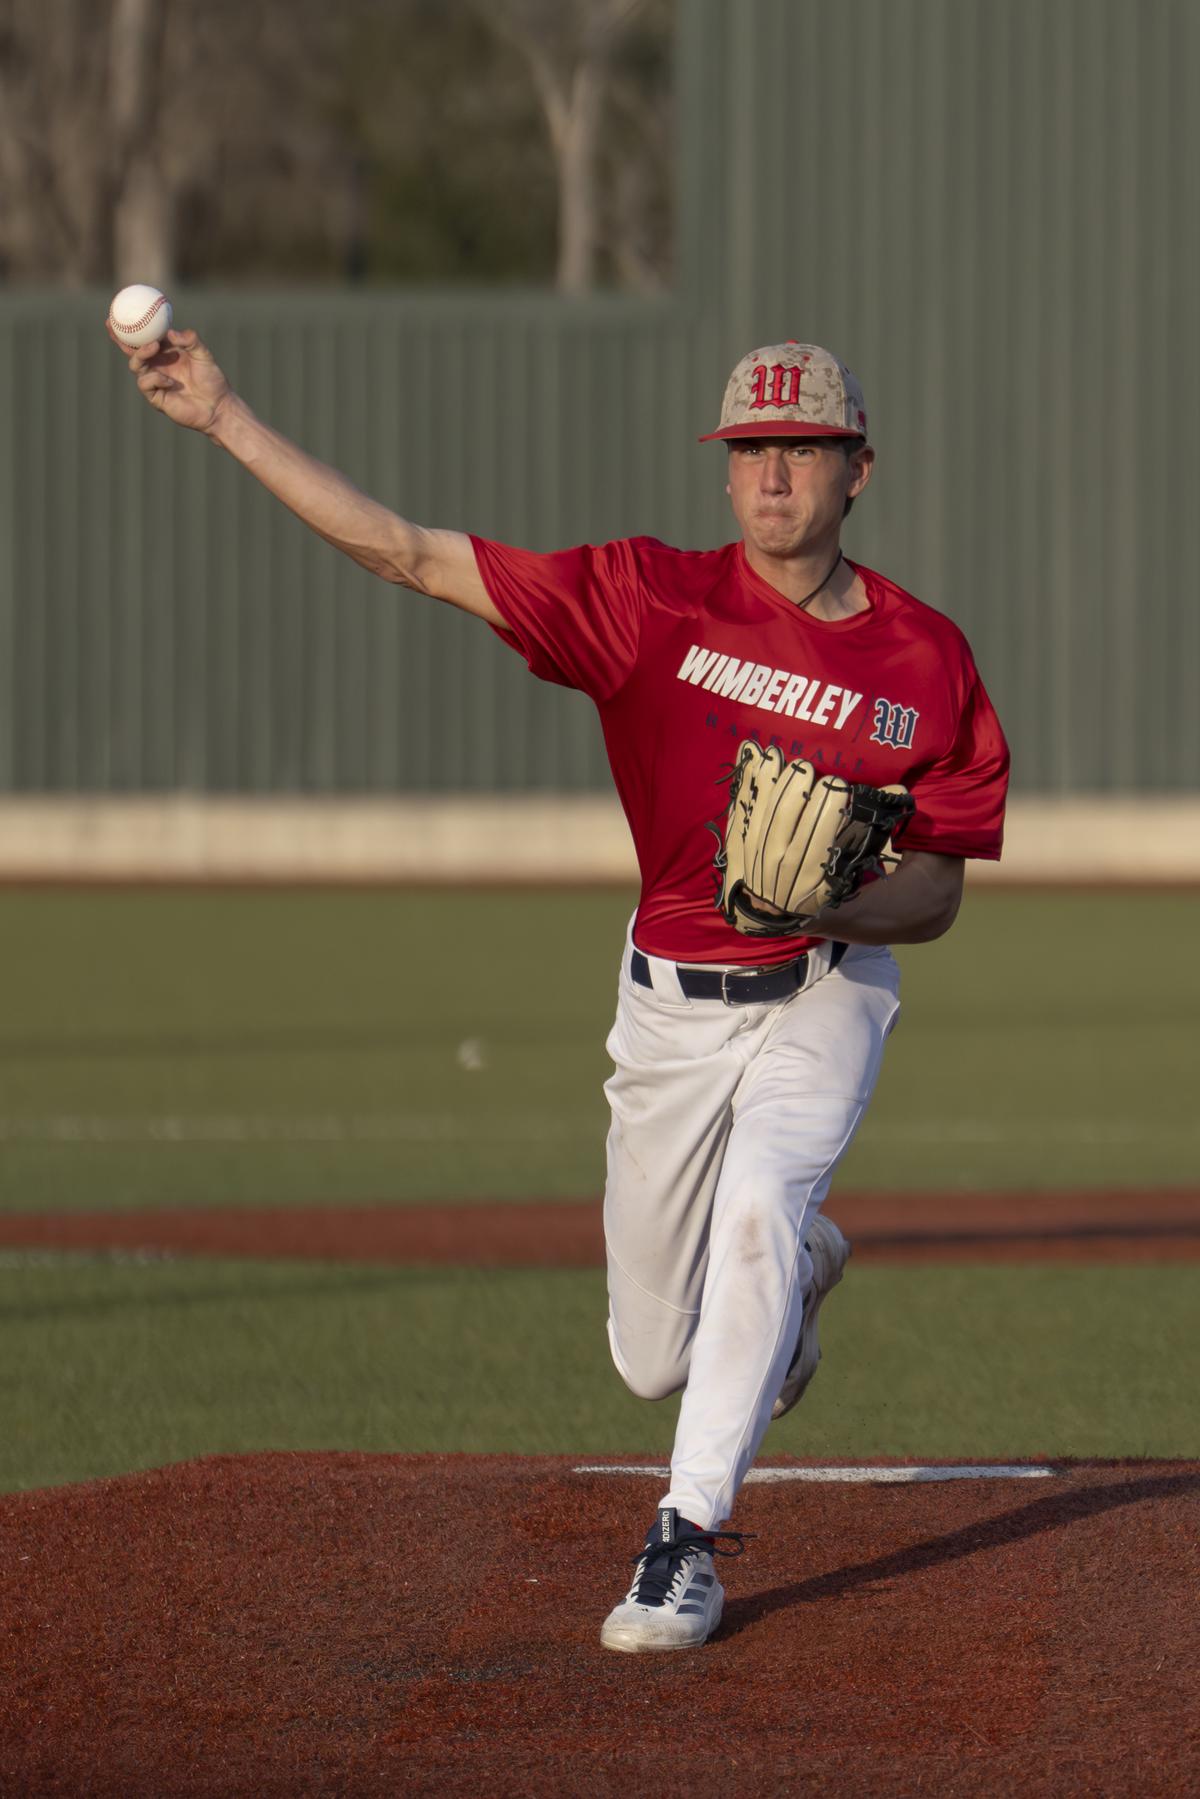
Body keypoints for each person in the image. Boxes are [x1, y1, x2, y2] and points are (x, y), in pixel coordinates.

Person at [111, 325, 1009, 1655]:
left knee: (759, 1202)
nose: (774, 474)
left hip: (825, 988)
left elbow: (935, 894)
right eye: (750, 449)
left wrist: (827, 900)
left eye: (803, 448)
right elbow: (412, 554)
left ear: (858, 469)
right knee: (653, 1358)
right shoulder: (646, 601)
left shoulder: (926, 658)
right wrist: (227, 416)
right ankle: (808, 1272)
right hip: (668, 1009)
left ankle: (684, 1543)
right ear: (724, 474)